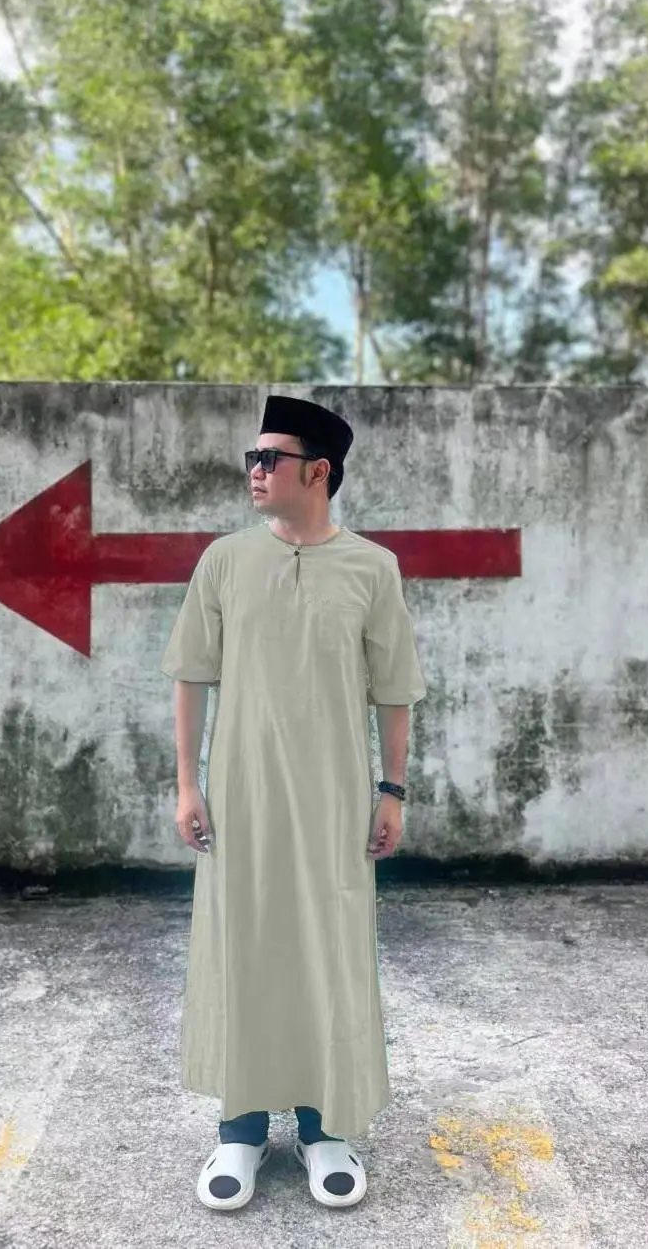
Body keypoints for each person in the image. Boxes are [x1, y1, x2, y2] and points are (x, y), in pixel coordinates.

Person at [159, 394, 427, 1211]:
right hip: (241, 792)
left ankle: (324, 1126)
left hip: (335, 795)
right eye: (251, 456)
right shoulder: (225, 561)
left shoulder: (370, 567)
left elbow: (394, 688)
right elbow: (191, 673)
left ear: (317, 472)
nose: (253, 470)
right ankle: (239, 1129)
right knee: (242, 943)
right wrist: (188, 781)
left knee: (328, 948)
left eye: (268, 458)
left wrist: (391, 789)